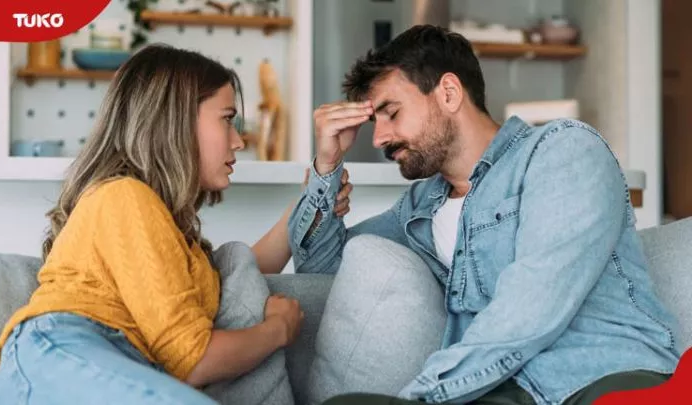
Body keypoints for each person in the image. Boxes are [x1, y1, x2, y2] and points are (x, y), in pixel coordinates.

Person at [287, 25, 681, 405]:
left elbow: (533, 304)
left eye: (391, 112)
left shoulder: (562, 150)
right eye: (375, 122)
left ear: (448, 92)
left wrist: (426, 394)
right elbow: (322, 269)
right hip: (500, 389)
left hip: (598, 380)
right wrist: (327, 165)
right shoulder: (422, 206)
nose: (378, 139)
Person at [0, 43, 353, 405]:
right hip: (62, 353)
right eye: (227, 119)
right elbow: (193, 360)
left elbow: (242, 270)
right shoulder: (123, 196)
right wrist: (277, 330)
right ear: (175, 120)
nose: (239, 141)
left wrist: (314, 197)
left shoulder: (169, 234)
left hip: (100, 361)